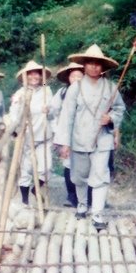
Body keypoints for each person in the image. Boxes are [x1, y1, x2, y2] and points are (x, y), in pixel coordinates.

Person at [54, 44, 126, 231]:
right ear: (84, 65)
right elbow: (67, 116)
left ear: (103, 67)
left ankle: (98, 214)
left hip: (102, 140)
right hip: (79, 139)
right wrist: (64, 143)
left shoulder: (111, 88)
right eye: (90, 63)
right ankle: (82, 204)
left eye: (98, 64)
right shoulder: (75, 89)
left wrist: (110, 118)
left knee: (101, 177)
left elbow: (120, 109)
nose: (94, 67)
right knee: (80, 176)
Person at [7, 60, 55, 205]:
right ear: (25, 77)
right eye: (30, 74)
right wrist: (15, 131)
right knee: (26, 169)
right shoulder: (19, 94)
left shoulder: (47, 90)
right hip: (27, 136)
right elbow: (13, 114)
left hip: (44, 136)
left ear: (41, 77)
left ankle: (36, 189)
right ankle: (25, 200)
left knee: (46, 168)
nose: (34, 76)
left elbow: (53, 112)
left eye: (37, 74)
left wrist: (49, 110)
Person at [52, 62, 85, 207]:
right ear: (68, 78)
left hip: (85, 132)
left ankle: (86, 197)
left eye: (80, 76)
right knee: (69, 164)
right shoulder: (62, 92)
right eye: (73, 76)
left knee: (86, 165)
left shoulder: (89, 91)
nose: (76, 79)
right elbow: (54, 110)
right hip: (68, 133)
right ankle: (71, 195)